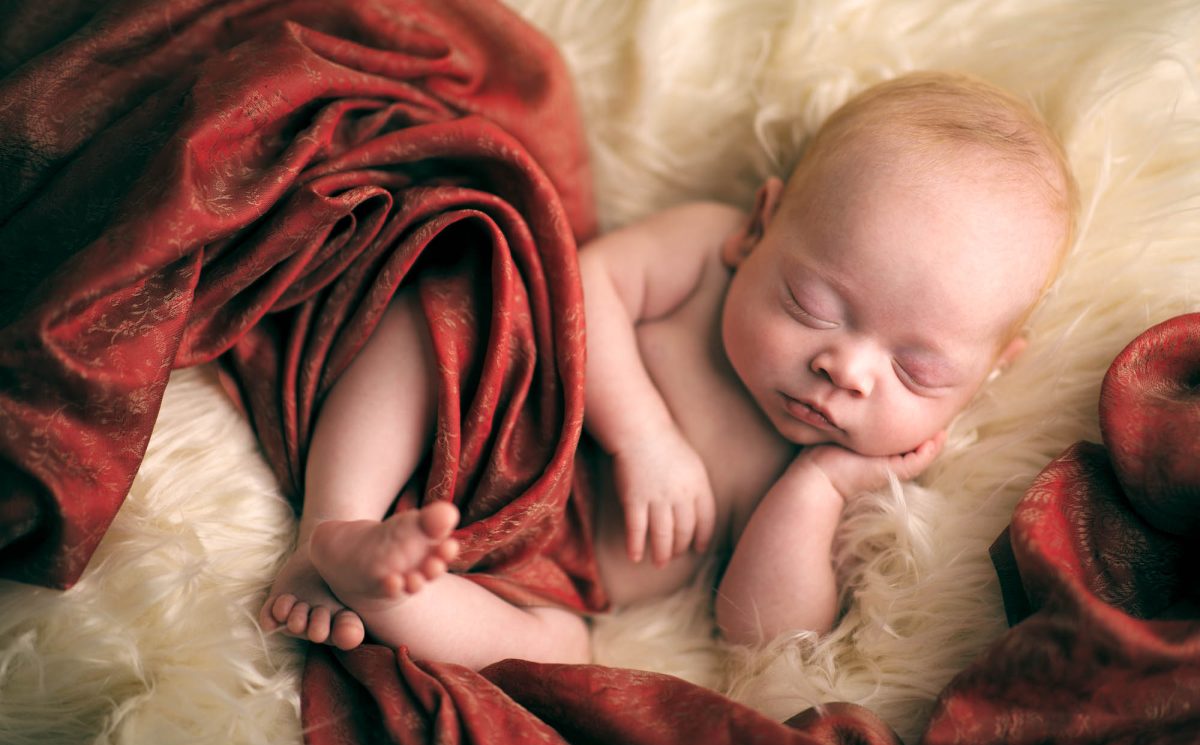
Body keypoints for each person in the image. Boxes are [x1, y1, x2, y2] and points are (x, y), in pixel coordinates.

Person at [258, 71, 1077, 668]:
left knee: (559, 654)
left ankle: (389, 591)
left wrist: (816, 491)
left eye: (919, 369)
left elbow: (761, 636)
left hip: (547, 573)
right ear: (758, 228)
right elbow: (589, 282)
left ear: (988, 376)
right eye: (814, 305)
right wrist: (646, 436)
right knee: (454, 303)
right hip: (507, 406)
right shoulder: (706, 252)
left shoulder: (839, 471)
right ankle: (336, 523)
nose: (848, 368)